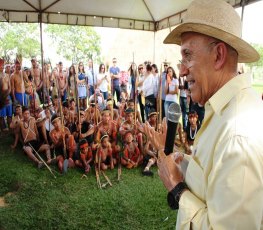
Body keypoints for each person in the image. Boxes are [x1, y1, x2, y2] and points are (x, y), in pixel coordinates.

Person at [144, 0, 263, 229]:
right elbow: (213, 176)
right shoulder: (223, 110)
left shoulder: (238, 135)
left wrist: (177, 188)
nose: (181, 70)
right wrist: (180, 160)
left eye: (188, 55)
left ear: (218, 55)